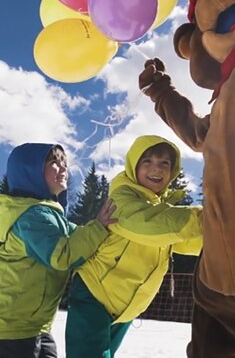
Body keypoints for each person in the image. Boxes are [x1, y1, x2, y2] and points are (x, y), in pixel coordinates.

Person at [65, 135, 203, 358]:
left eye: (164, 163)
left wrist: (230, 234)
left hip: (129, 306)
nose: (155, 169)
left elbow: (187, 239)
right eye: (146, 161)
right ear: (133, 166)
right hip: (96, 293)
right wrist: (209, 218)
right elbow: (145, 224)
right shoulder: (122, 198)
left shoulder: (162, 210)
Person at [0, 143, 117, 358]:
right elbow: (62, 255)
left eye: (64, 163)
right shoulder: (30, 217)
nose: (63, 168)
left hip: (36, 326)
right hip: (11, 329)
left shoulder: (52, 217)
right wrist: (98, 227)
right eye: (54, 162)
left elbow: (80, 238)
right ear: (29, 170)